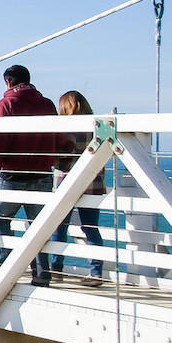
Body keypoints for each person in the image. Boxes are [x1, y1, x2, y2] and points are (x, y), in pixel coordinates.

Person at [0, 65, 62, 287]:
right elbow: (57, 136)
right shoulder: (46, 104)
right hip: (42, 173)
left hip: (14, 175)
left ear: (8, 82)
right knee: (38, 226)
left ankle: (7, 267)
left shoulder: (7, 104)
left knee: (0, 218)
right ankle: (41, 274)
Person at [51, 90, 105, 286]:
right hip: (94, 184)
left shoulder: (64, 129)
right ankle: (96, 272)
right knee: (91, 229)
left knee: (59, 228)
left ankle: (56, 269)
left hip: (66, 183)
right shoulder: (96, 127)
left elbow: (62, 160)